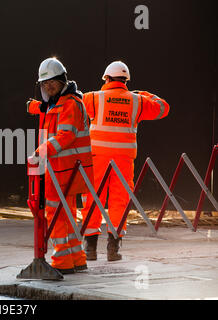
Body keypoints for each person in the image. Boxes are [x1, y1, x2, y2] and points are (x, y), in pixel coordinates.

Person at [81, 61, 170, 261]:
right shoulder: (137, 101)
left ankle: (90, 248)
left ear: (106, 78)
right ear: (126, 81)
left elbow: (73, 103)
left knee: (93, 199)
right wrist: (145, 93)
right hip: (123, 160)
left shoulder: (94, 98)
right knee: (120, 202)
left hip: (97, 158)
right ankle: (113, 249)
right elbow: (164, 108)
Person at [27, 57, 94, 274]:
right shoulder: (63, 102)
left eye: (52, 81)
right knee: (67, 214)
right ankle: (76, 258)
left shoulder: (70, 104)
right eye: (44, 83)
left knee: (54, 213)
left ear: (62, 79)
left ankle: (62, 261)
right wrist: (34, 107)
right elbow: (47, 109)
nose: (48, 86)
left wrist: (40, 152)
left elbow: (66, 134)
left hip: (64, 170)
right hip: (67, 170)